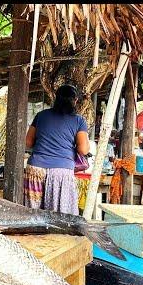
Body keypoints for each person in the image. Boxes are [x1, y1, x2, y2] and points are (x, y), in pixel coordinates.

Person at [24, 84, 89, 215]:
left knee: (32, 215)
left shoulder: (41, 116)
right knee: (60, 216)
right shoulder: (79, 120)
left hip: (36, 169)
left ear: (55, 98)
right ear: (75, 100)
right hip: (61, 173)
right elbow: (83, 150)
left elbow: (28, 142)